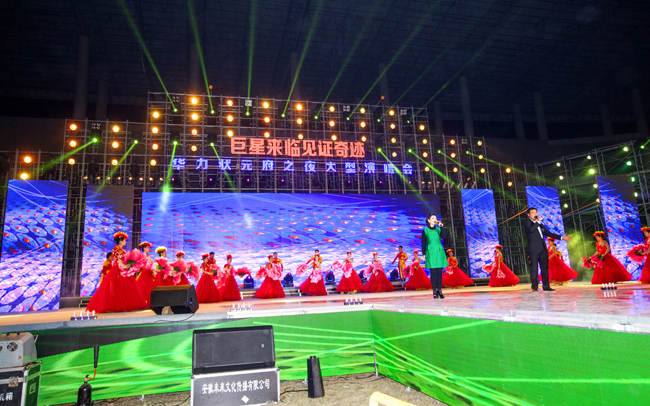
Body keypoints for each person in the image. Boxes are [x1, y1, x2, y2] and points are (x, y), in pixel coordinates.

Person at [86, 232, 145, 313]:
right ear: (120, 241)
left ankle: (124, 305)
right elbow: (117, 259)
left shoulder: (123, 251)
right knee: (116, 288)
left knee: (125, 288)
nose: (125, 242)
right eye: (124, 240)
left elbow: (125, 260)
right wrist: (124, 266)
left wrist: (129, 266)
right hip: (117, 270)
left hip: (123, 270)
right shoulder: (115, 249)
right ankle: (114, 306)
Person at [523, 207, 572, 292]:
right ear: (528, 215)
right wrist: (537, 222)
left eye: (536, 212)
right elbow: (531, 230)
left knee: (545, 268)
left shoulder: (540, 225)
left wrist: (561, 237)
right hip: (533, 249)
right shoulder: (527, 223)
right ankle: (534, 286)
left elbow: (549, 233)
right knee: (534, 268)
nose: (535, 214)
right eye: (533, 213)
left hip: (543, 249)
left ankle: (546, 286)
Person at [421, 213, 447, 299]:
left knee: (439, 271)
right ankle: (434, 291)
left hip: (439, 251)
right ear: (428, 220)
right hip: (431, 251)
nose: (434, 220)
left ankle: (440, 290)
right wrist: (424, 254)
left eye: (435, 218)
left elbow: (444, 237)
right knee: (433, 272)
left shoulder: (438, 229)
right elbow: (423, 243)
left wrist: (441, 227)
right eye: (432, 218)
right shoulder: (425, 231)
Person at [134, 241, 158, 306]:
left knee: (148, 289)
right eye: (148, 248)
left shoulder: (147, 257)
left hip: (148, 274)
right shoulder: (142, 256)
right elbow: (143, 266)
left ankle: (149, 302)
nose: (149, 249)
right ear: (144, 248)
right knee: (144, 289)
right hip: (144, 274)